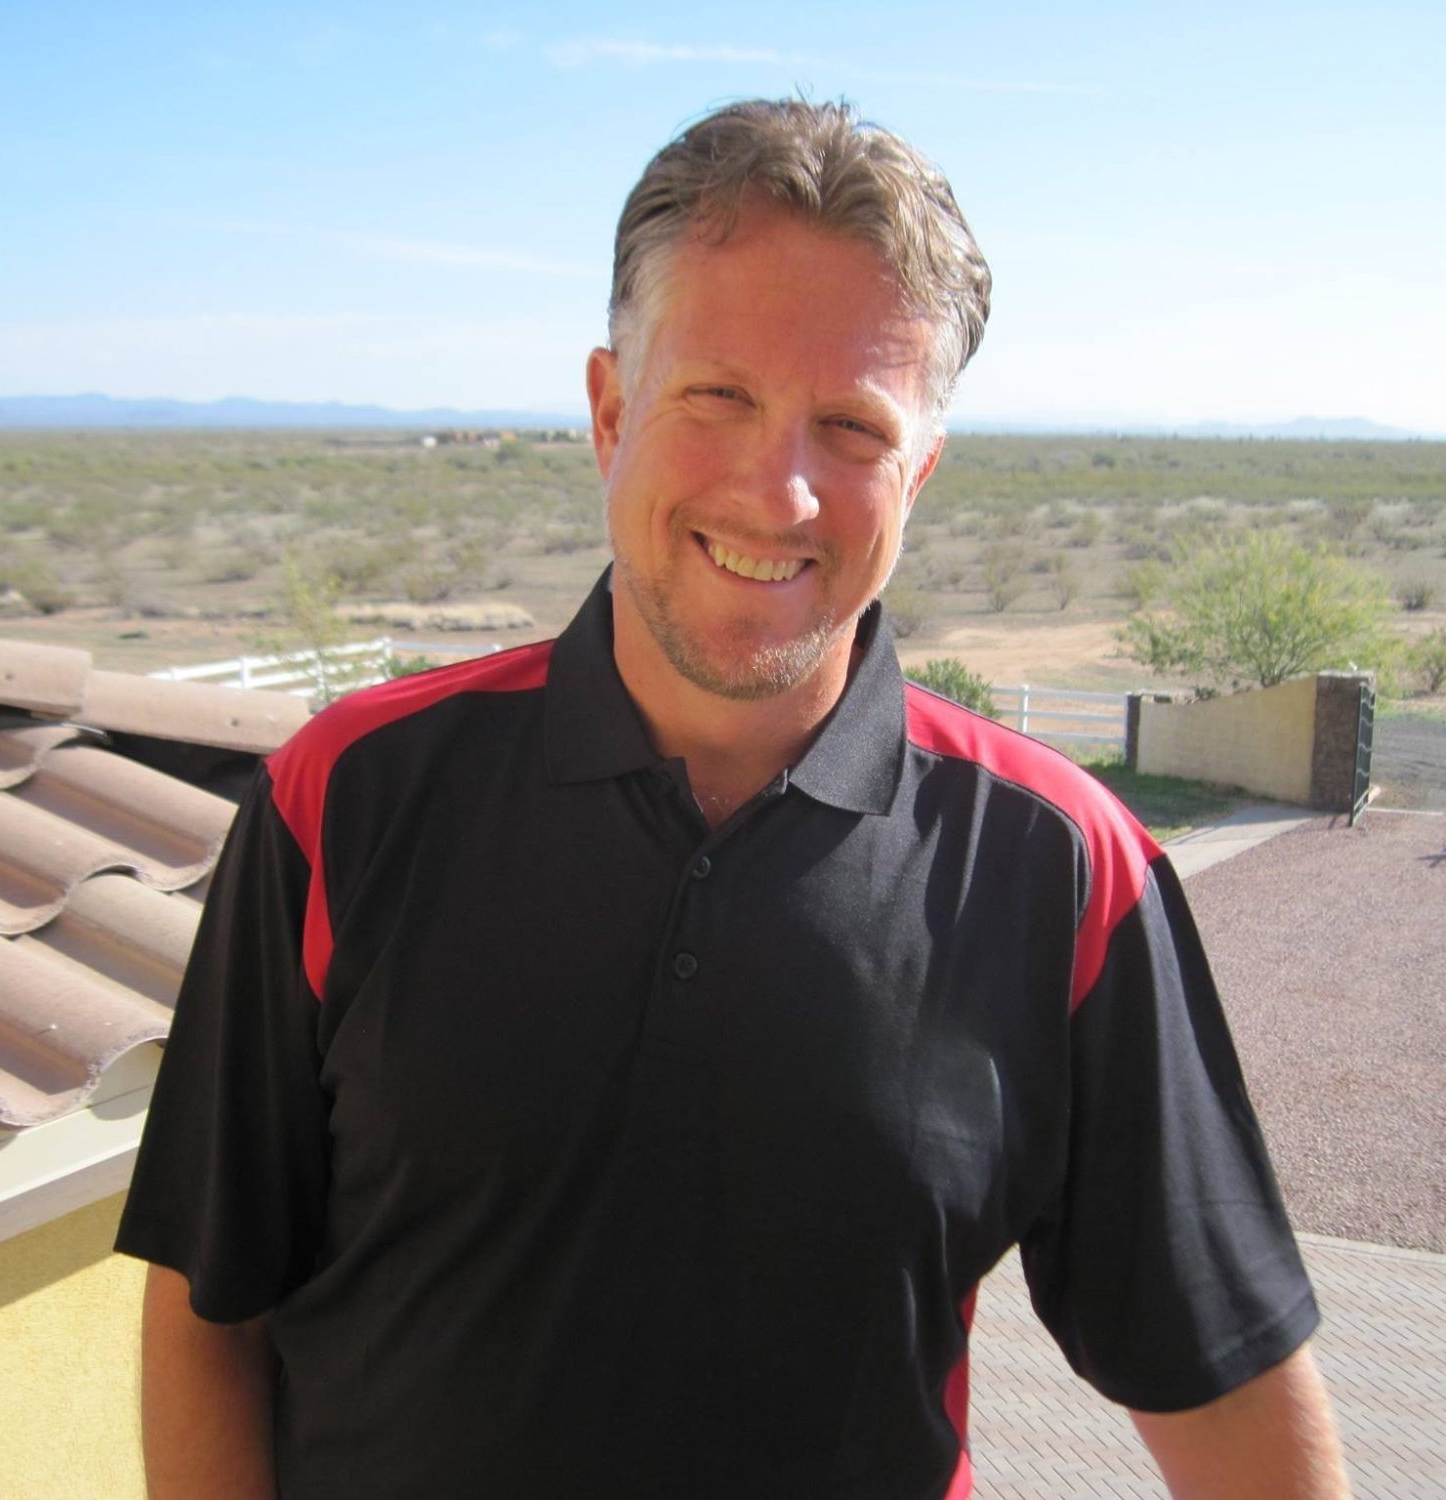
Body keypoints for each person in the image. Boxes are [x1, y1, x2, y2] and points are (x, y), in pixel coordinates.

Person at [118, 99, 1351, 1499]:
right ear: (607, 409)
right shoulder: (344, 798)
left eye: (853, 425)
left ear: (923, 470)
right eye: (717, 397)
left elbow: (1236, 1394)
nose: (782, 492)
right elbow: (211, 1305)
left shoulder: (1062, 869)